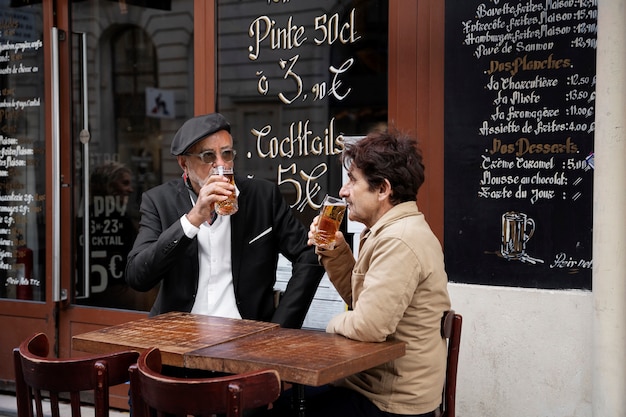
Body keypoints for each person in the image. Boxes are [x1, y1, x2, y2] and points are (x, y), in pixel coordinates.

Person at [269, 129, 451, 417]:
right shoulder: (388, 232)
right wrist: (336, 252)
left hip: (391, 401)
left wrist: (328, 326)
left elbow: (369, 326)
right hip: (370, 384)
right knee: (280, 404)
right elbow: (361, 300)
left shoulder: (398, 241)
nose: (343, 191)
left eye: (353, 181)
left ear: (383, 190)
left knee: (278, 409)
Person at [125, 113, 324, 329]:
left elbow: (308, 254)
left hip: (247, 337)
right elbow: (138, 276)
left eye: (227, 154)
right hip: (179, 337)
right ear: (184, 164)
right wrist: (192, 219)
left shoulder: (262, 197)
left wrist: (281, 326)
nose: (221, 165)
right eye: (208, 156)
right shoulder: (159, 201)